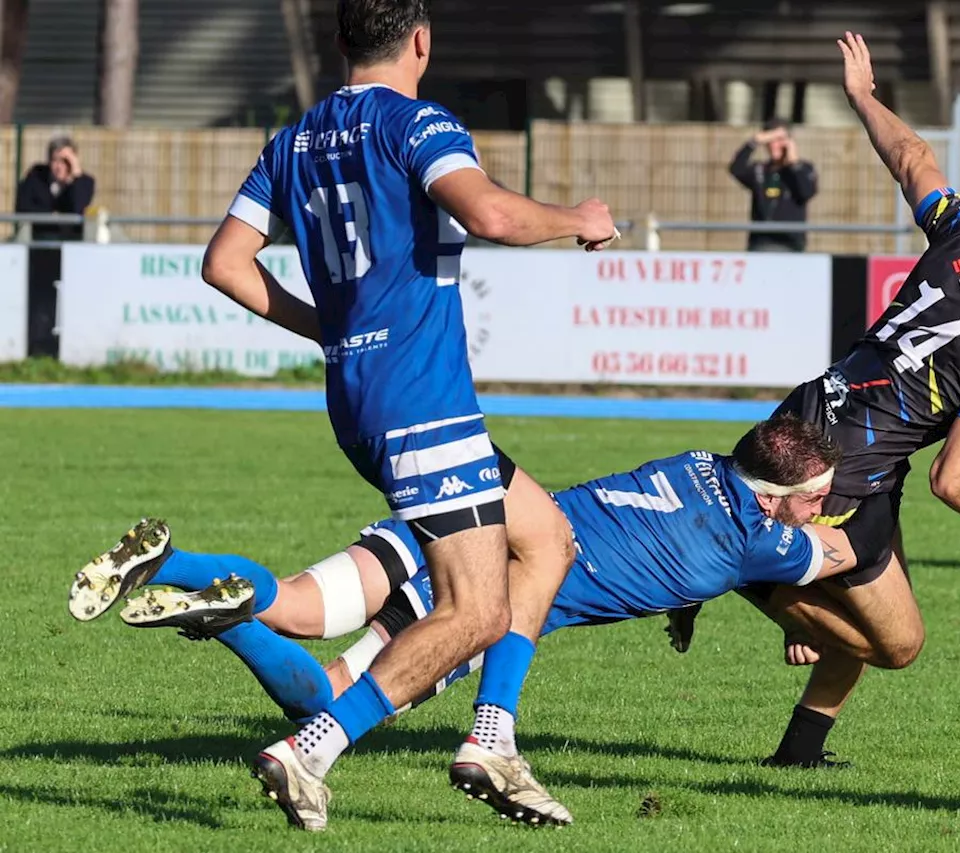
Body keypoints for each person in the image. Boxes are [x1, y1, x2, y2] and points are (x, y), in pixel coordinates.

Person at [153, 0, 613, 831]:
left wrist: (324, 325)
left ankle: (493, 736)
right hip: (424, 401)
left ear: (338, 43)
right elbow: (491, 215)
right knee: (476, 610)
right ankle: (313, 748)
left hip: (359, 398)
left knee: (546, 535)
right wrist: (578, 220)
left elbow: (224, 264)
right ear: (423, 42)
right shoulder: (418, 125)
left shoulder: (291, 141)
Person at [669, 32, 960, 768]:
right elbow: (959, 478)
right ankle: (736, 566)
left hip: (806, 420)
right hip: (843, 476)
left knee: (858, 617)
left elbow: (913, 159)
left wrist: (863, 97)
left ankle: (797, 753)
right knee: (899, 642)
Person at [69, 416, 867, 830]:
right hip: (477, 588)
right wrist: (872, 510)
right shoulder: (755, 539)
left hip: (458, 521)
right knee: (322, 700)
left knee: (300, 602)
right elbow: (838, 550)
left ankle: (172, 560)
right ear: (770, 499)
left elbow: (682, 538)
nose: (819, 504)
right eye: (811, 494)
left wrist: (690, 601)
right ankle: (235, 621)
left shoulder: (699, 463)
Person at [728, 117, 818, 252]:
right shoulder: (760, 171)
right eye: (771, 141)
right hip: (761, 243)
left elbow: (807, 192)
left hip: (790, 243)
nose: (774, 145)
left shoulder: (803, 169)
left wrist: (793, 163)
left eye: (780, 140)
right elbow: (736, 168)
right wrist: (754, 142)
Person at [15, 136, 95, 241]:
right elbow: (23, 207)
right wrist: (51, 216)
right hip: (41, 241)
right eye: (55, 160)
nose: (59, 167)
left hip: (72, 242)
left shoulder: (85, 182)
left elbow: (78, 207)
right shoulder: (36, 177)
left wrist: (75, 176)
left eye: (65, 161)